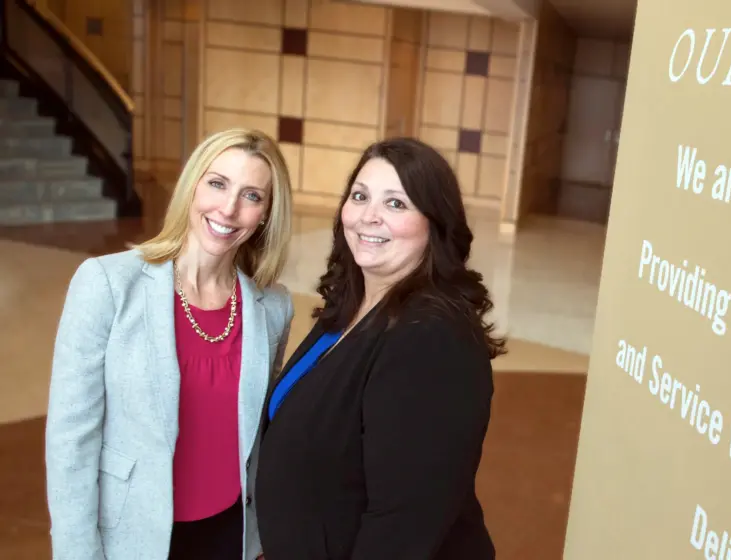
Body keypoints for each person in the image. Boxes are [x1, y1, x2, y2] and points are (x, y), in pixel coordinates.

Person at [44, 128, 296, 560]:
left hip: (227, 535)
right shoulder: (107, 283)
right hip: (130, 533)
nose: (229, 208)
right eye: (217, 184)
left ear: (266, 214)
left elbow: (256, 442)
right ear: (192, 186)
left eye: (252, 196)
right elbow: (70, 440)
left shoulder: (271, 308)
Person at [254, 137, 505, 559]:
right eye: (360, 196)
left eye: (396, 204)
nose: (369, 216)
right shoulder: (352, 307)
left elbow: (402, 524)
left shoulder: (431, 339)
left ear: (434, 223)